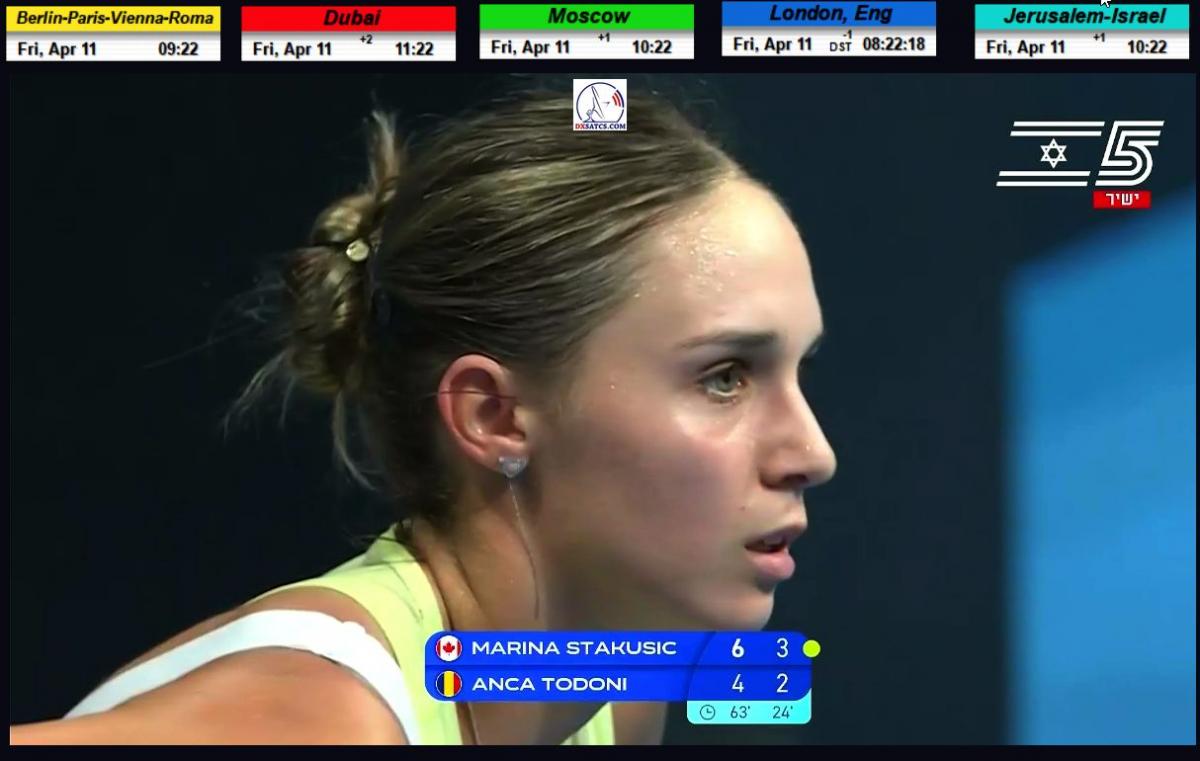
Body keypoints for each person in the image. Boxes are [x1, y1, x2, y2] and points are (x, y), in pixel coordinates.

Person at [9, 87, 837, 745]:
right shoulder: (321, 720)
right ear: (493, 415)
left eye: (796, 371)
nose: (813, 452)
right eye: (724, 377)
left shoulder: (607, 694)